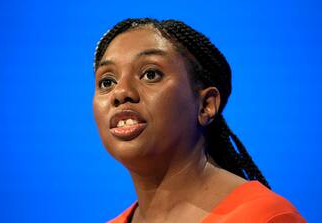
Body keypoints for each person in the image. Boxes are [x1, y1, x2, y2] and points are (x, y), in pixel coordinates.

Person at [92, 18, 306, 223]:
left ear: (206, 105)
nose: (121, 92)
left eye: (150, 74)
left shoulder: (265, 217)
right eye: (107, 81)